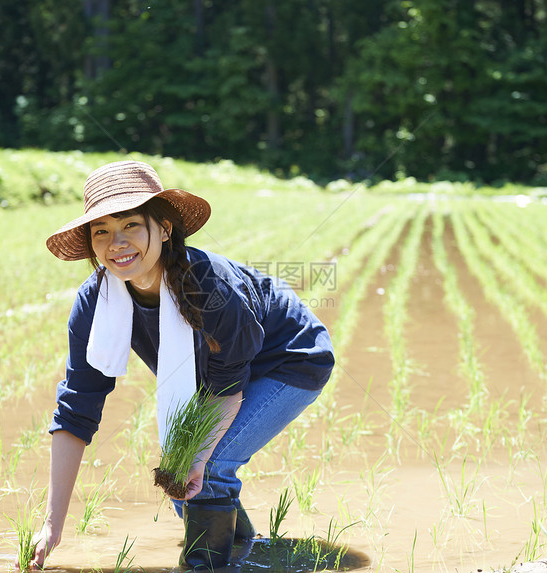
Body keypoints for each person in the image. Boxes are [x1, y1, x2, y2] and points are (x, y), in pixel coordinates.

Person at [26, 160, 334, 570]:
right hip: (222, 373)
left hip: (288, 358)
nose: (116, 242)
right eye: (102, 230)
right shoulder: (95, 304)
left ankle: (206, 565)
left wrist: (199, 459)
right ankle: (245, 548)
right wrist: (52, 526)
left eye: (131, 225)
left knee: (205, 467)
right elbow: (77, 407)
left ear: (165, 228)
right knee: (181, 477)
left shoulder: (211, 288)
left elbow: (226, 388)